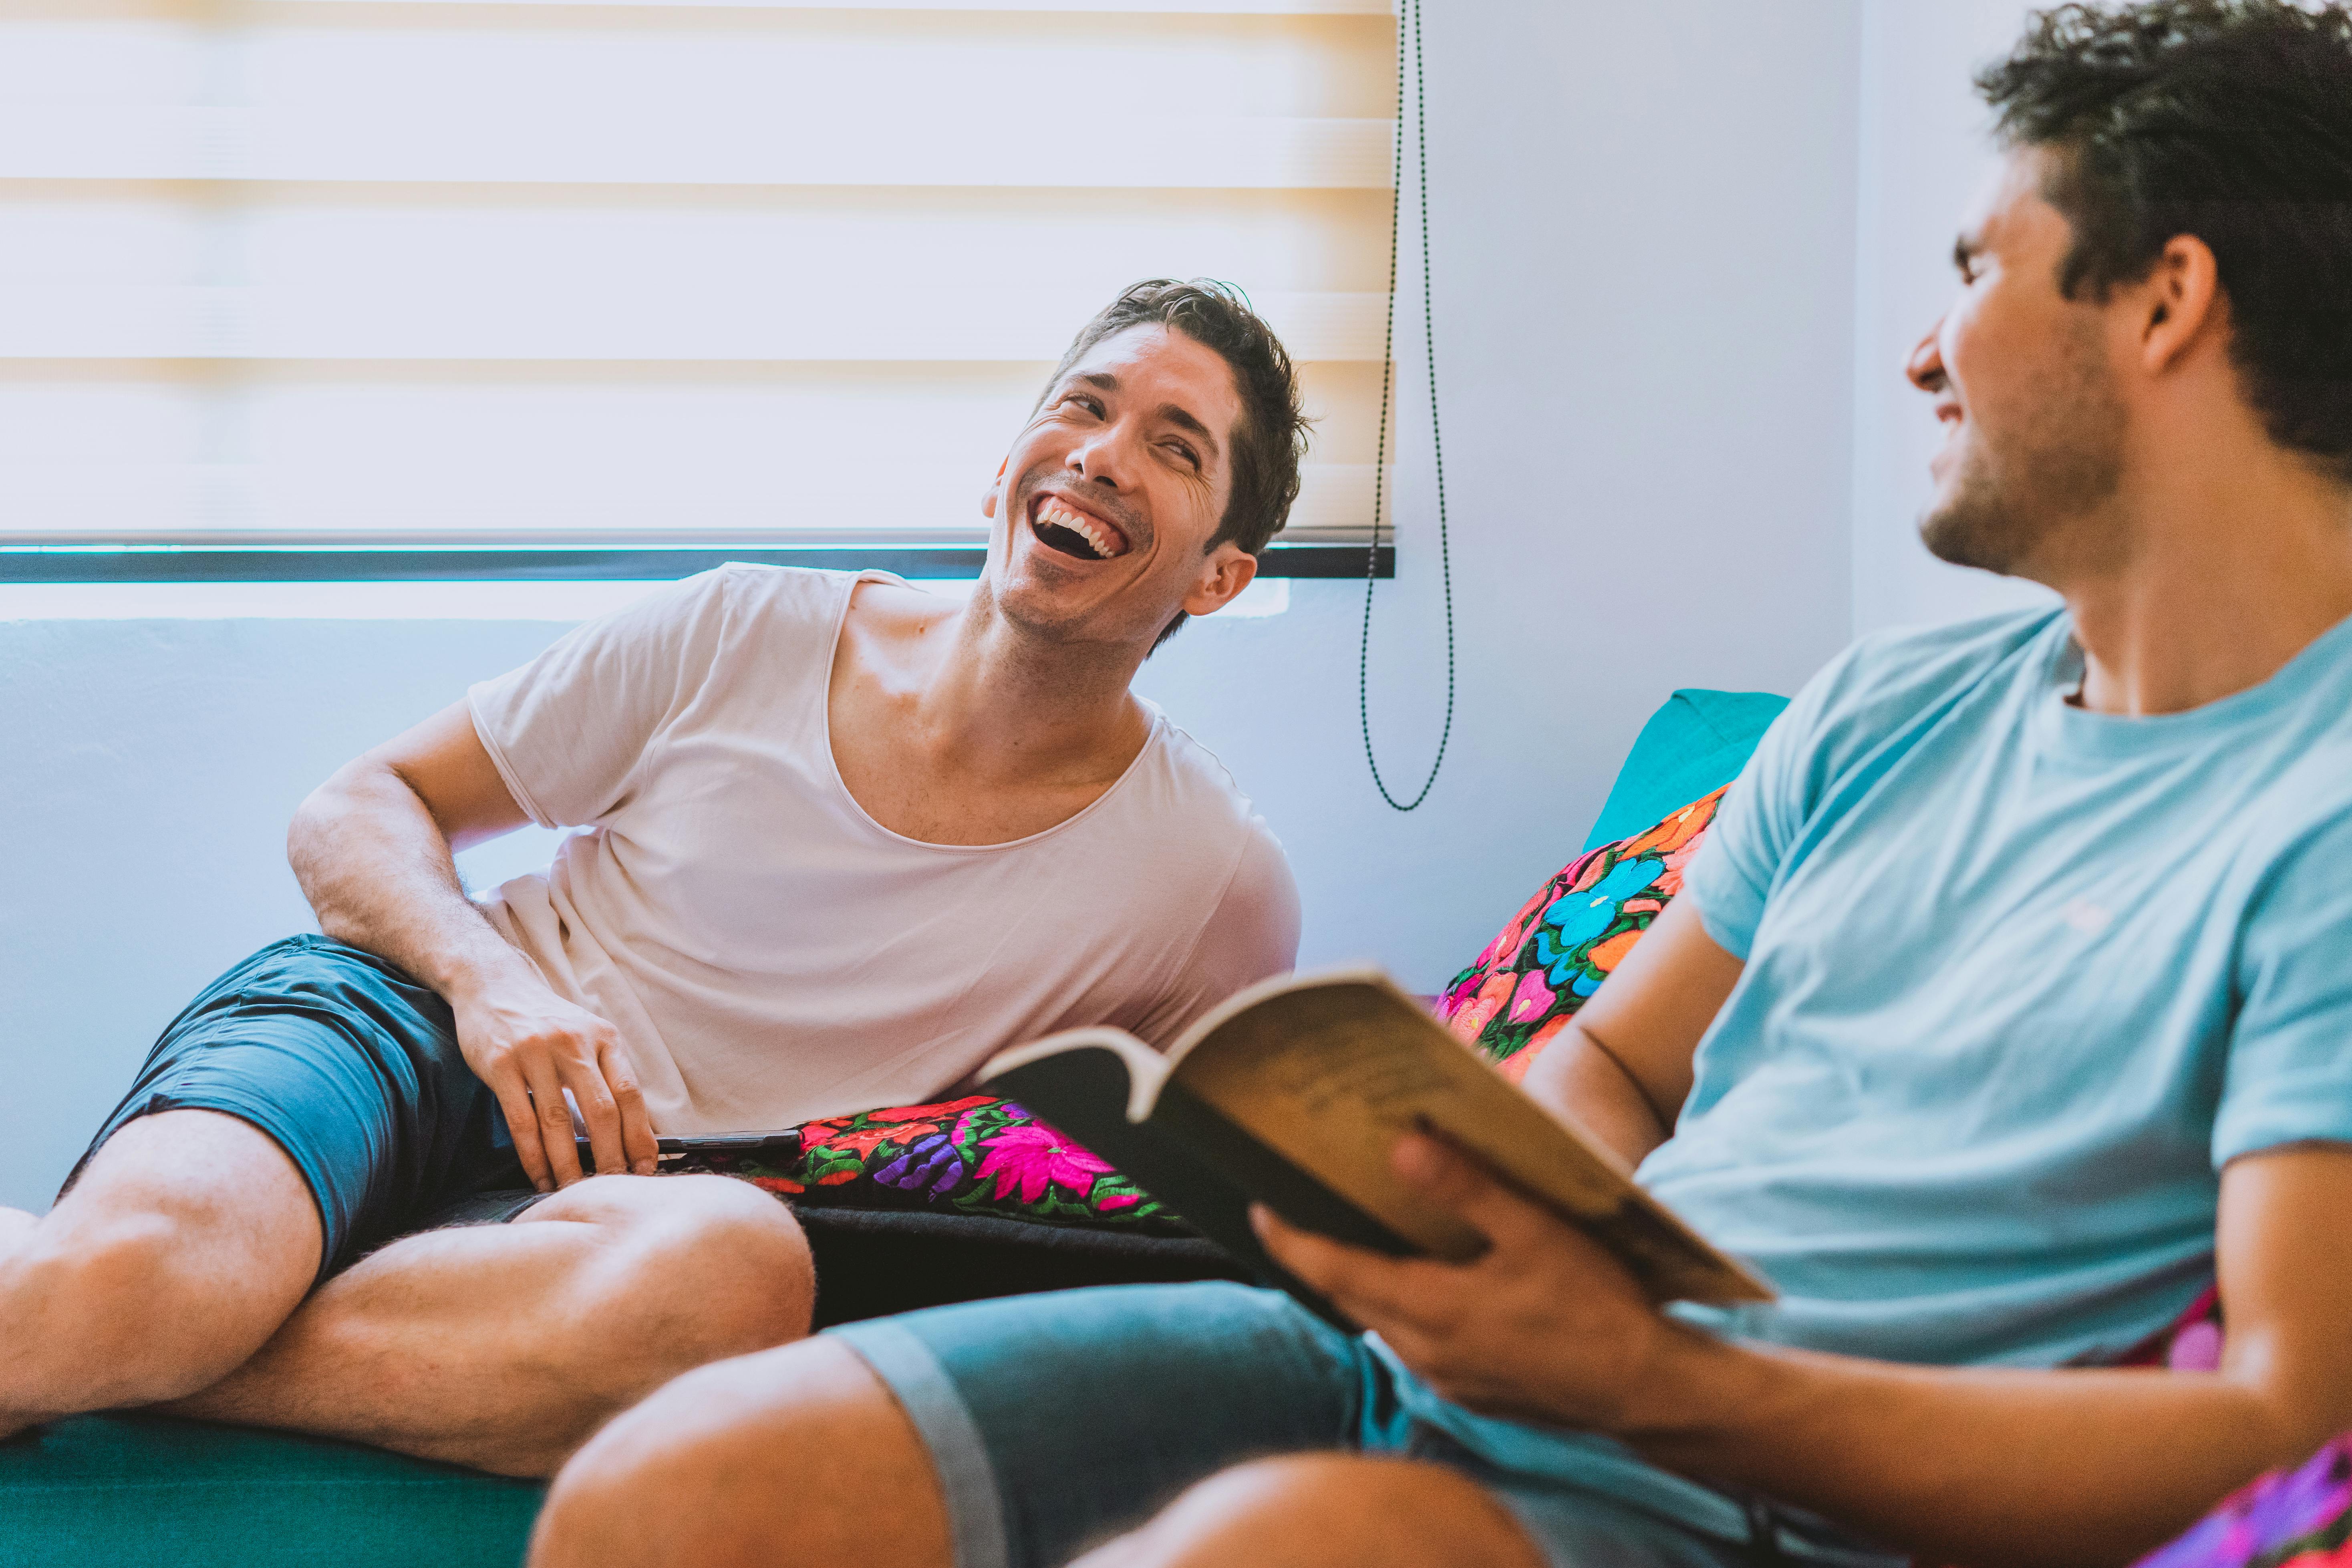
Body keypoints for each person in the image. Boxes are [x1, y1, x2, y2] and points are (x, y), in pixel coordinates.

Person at [524, 4, 2352, 1564]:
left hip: (1736, 1486)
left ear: (2164, 301)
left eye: (1973, 272)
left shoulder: (2321, 816)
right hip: (1471, 1361)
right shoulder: (1886, 709)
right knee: (669, 1489)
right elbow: (1623, 1060)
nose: (1921, 348)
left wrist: (1654, 1375)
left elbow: (2277, 1422)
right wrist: (1468, 1217)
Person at [0, 280, 1307, 1478]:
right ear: (1002, 470)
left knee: (738, 1280)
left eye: (1174, 446)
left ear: (1221, 573)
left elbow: (1167, 1216)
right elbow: (355, 803)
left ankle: (181, 1338)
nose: (1101, 455)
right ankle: (145, 1309)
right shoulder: (745, 627)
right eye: (1084, 407)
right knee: (139, 1276)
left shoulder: (1211, 881)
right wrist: (491, 988)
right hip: (416, 1026)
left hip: (640, 1200)